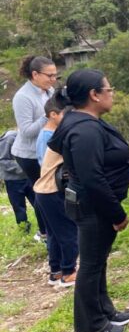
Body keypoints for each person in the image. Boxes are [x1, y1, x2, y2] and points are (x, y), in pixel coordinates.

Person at [47, 69, 129, 332]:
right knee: (90, 265)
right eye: (109, 89)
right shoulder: (84, 131)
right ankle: (91, 327)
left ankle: (104, 311)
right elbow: (92, 178)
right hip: (94, 208)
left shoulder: (84, 120)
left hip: (93, 205)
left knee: (98, 261)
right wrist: (116, 213)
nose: (112, 94)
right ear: (94, 95)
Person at [34, 94, 79, 288]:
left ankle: (56, 271)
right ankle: (68, 272)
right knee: (68, 232)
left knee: (53, 233)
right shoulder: (51, 136)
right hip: (52, 190)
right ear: (53, 114)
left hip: (43, 191)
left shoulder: (48, 134)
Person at [12, 55, 57, 241]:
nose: (53, 79)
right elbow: (27, 131)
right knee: (42, 191)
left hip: (47, 149)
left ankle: (51, 228)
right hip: (28, 154)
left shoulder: (49, 90)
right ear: (35, 74)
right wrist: (48, 115)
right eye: (49, 75)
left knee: (51, 189)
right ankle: (44, 232)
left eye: (56, 75)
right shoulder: (22, 97)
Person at [0, 130, 36, 234]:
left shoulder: (30, 137)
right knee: (19, 207)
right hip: (13, 181)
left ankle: (45, 228)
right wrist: (24, 167)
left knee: (38, 203)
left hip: (29, 178)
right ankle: (24, 230)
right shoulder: (9, 139)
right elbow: (2, 161)